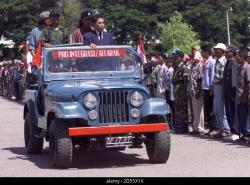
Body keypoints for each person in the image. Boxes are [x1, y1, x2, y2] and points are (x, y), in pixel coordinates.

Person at [212, 43, 231, 138]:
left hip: (221, 86)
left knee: (221, 109)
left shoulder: (224, 61)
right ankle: (220, 129)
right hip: (216, 85)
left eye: (217, 49)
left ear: (222, 51)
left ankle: (226, 130)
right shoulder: (217, 61)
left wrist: (223, 89)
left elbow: (224, 77)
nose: (215, 51)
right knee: (216, 109)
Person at [172, 49, 189, 133]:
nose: (174, 58)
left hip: (182, 91)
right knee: (178, 109)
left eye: (176, 57)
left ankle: (184, 127)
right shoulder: (176, 67)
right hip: (177, 91)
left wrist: (185, 92)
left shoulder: (184, 67)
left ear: (180, 57)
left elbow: (186, 81)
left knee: (183, 109)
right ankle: (179, 126)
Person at [224, 45, 239, 140]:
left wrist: (233, 93)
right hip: (227, 91)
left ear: (232, 53)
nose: (225, 53)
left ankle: (236, 132)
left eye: (227, 51)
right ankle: (232, 130)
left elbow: (233, 79)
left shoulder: (233, 62)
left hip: (232, 92)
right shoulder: (227, 62)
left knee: (233, 112)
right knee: (229, 112)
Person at [201, 45, 217, 135]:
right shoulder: (205, 62)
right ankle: (211, 127)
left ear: (207, 52)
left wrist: (212, 87)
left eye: (203, 52)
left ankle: (215, 127)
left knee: (212, 109)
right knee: (207, 109)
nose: (202, 53)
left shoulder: (212, 62)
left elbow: (212, 76)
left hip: (209, 88)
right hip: (205, 88)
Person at [235, 49, 250, 141]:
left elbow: (248, 83)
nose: (236, 58)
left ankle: (246, 134)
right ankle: (242, 133)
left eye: (237, 57)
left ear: (243, 57)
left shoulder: (247, 67)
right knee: (240, 116)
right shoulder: (239, 67)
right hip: (238, 96)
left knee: (244, 115)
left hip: (244, 96)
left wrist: (244, 96)